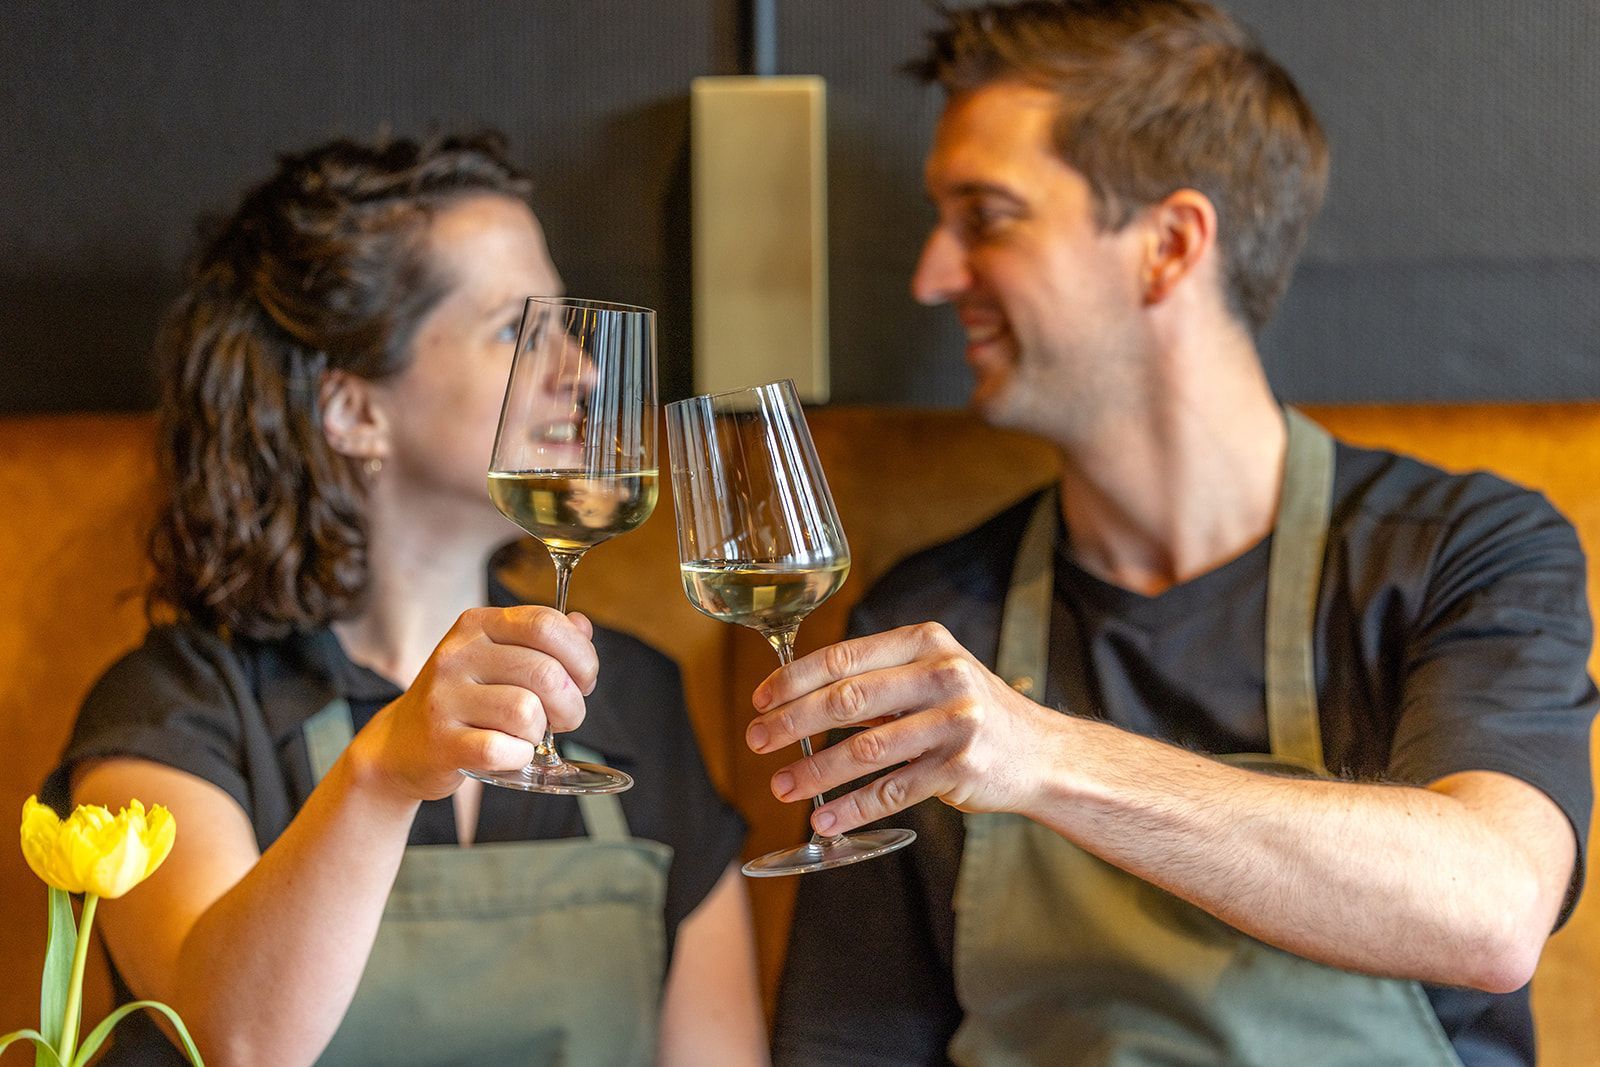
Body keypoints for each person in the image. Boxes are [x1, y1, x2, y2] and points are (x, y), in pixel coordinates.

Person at [766, 3, 1596, 1064]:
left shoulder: (1460, 551)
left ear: (1167, 246)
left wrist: (1041, 754)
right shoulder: (927, 623)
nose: (933, 275)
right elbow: (851, 1044)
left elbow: (1490, 906)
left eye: (987, 216)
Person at [43, 132, 767, 1066]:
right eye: (518, 329)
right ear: (354, 410)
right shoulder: (177, 707)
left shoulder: (632, 693)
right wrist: (382, 770)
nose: (582, 372)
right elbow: (238, 1041)